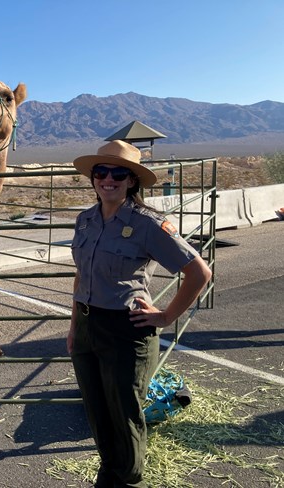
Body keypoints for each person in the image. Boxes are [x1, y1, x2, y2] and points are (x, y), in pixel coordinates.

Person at [67, 140, 212, 487]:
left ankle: (130, 479)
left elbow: (199, 273)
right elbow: (80, 277)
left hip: (125, 330)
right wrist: (74, 328)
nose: (108, 179)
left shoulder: (148, 224)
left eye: (119, 173)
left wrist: (165, 317)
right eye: (101, 172)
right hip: (88, 325)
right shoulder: (85, 220)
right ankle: (111, 473)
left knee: (125, 416)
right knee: (97, 411)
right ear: (93, 178)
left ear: (132, 181)